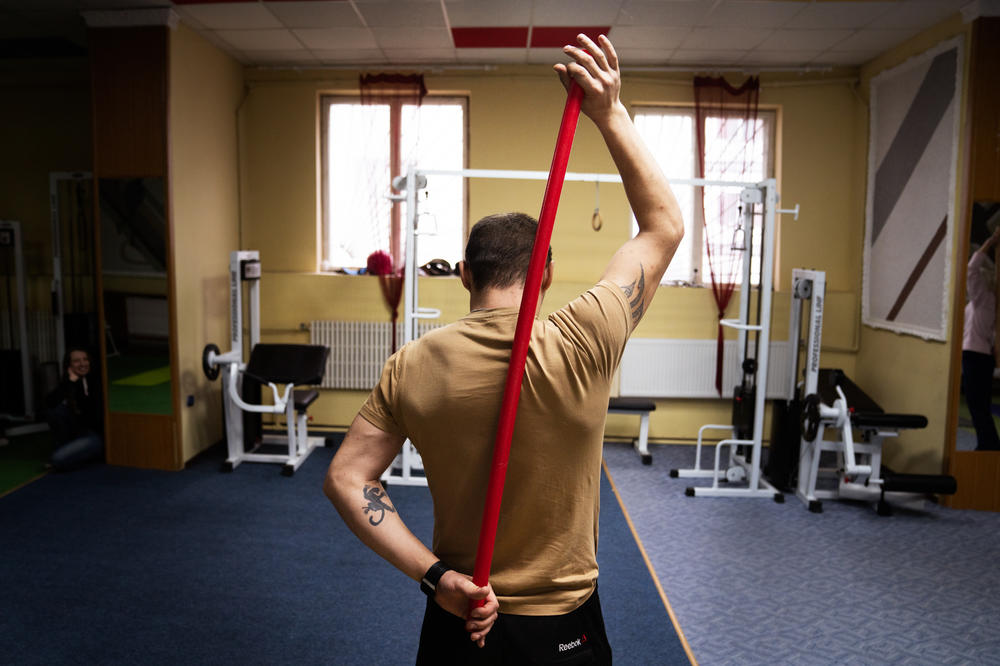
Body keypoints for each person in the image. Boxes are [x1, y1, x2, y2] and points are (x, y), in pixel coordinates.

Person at [323, 33, 683, 664]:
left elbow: (347, 480)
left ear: (465, 275)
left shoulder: (413, 363)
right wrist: (609, 112)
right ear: (544, 274)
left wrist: (437, 578)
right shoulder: (586, 334)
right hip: (563, 626)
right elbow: (664, 226)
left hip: (463, 613)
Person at [962, 226, 1000, 451]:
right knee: (981, 407)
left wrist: (991, 241)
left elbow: (971, 268)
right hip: (983, 356)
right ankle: (989, 444)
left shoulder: (982, 298)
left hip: (975, 356)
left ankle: (989, 445)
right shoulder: (992, 303)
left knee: (977, 406)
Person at [46, 346, 105, 470]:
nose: (82, 364)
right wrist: (71, 381)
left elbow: (92, 413)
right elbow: (50, 403)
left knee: (57, 460)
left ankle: (68, 454)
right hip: (75, 432)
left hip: (93, 434)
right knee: (57, 410)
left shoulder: (97, 380)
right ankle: (67, 449)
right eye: (77, 361)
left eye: (85, 359)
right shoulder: (70, 381)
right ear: (69, 365)